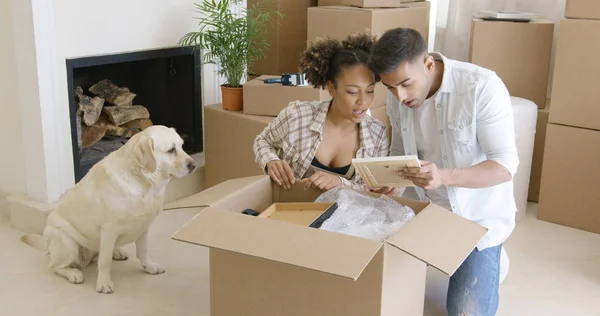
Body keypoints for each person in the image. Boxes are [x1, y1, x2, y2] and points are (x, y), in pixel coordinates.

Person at [368, 28, 518, 316]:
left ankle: (490, 255)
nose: (399, 97)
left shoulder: (482, 86)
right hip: (428, 213)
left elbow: (505, 165)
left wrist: (445, 177)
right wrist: (393, 184)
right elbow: (400, 154)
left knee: (464, 311)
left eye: (406, 84)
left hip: (478, 220)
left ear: (428, 65)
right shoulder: (397, 96)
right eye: (390, 88)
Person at [253, 33, 389, 192]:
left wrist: (340, 183)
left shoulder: (378, 135)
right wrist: (271, 161)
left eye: (370, 91)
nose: (363, 101)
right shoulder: (298, 115)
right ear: (332, 88)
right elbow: (263, 141)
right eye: (352, 92)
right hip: (290, 210)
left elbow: (371, 191)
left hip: (345, 215)